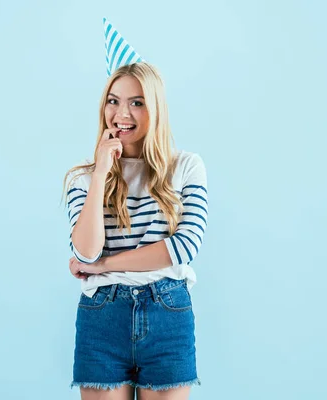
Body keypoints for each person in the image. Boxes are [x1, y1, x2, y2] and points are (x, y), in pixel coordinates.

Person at [61, 60, 208, 400]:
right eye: (113, 100)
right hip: (103, 317)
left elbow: (184, 247)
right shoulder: (82, 178)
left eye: (136, 102)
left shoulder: (186, 167)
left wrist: (104, 267)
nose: (121, 113)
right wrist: (100, 173)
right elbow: (86, 251)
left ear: (154, 108)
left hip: (167, 313)